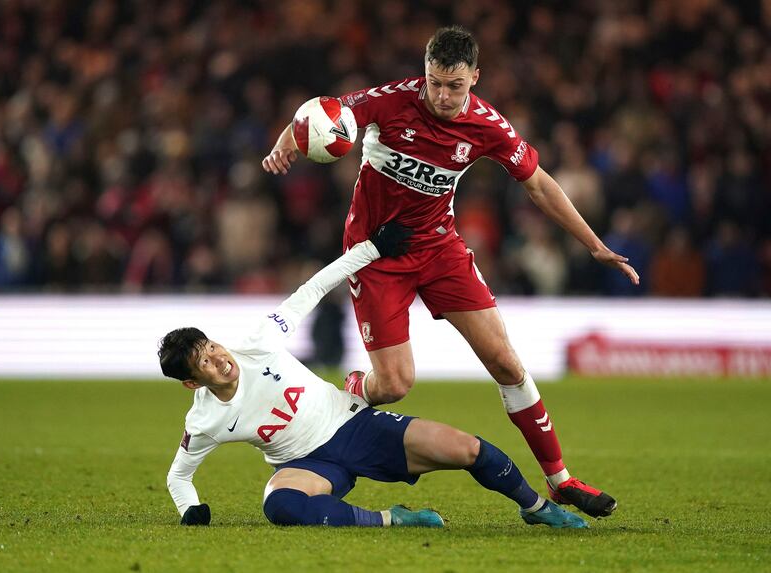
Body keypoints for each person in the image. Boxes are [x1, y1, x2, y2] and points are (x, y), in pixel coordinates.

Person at [262, 25, 641, 518]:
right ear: (424, 74)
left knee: (506, 362)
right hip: (376, 255)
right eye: (434, 82)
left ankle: (561, 480)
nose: (442, 95)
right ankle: (353, 389)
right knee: (395, 385)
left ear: (475, 78)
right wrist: (285, 142)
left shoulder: (488, 126)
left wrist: (594, 246)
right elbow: (318, 114)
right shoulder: (391, 100)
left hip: (440, 249)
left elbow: (540, 186)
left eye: (454, 86)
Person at [160, 221, 587, 529]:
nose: (219, 358)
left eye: (212, 346)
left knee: (470, 450)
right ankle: (392, 519)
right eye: (204, 362)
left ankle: (536, 508)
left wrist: (371, 249)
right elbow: (178, 475)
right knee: (281, 506)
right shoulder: (204, 421)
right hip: (306, 464)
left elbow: (311, 289)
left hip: (354, 426)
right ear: (192, 383)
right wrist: (190, 509)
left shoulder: (256, 342)